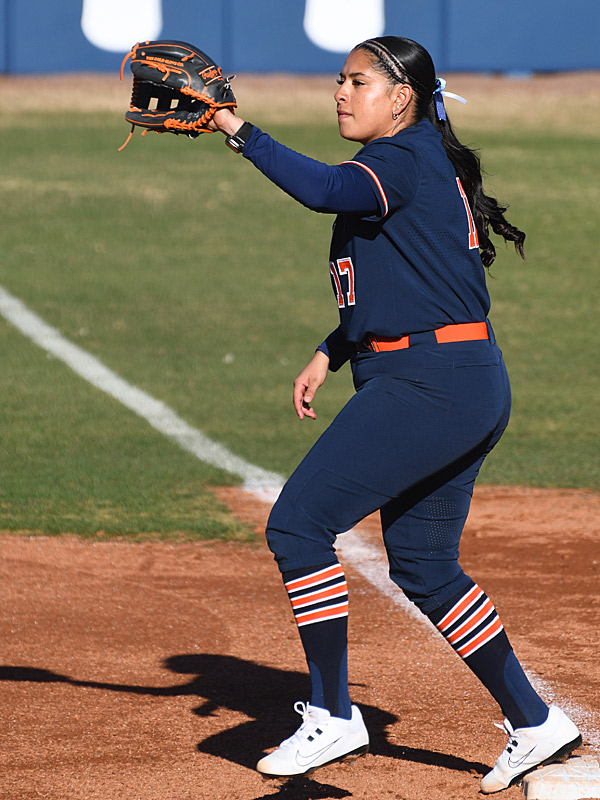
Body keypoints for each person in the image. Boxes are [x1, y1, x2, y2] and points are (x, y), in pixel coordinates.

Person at [208, 36, 582, 793]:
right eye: (338, 81)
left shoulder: (400, 160)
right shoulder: (412, 163)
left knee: (298, 525)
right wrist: (332, 349)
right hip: (460, 379)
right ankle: (537, 721)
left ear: (401, 95)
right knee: (423, 566)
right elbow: (409, 285)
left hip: (428, 386)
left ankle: (334, 711)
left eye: (356, 81)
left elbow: (322, 188)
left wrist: (235, 129)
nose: (340, 93)